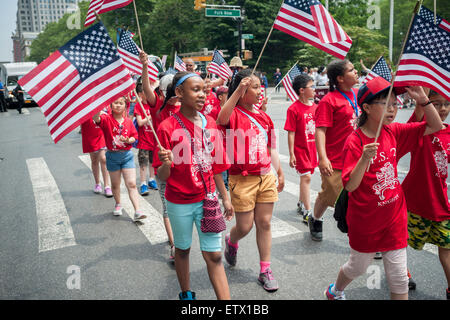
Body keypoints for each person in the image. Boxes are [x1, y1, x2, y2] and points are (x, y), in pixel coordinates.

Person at [325, 77, 443, 300]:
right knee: (357, 267)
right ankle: (336, 290)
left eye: (395, 104)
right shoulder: (355, 141)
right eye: (385, 104)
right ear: (367, 108)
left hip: (394, 218)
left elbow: (435, 126)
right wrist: (363, 159)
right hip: (365, 221)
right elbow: (350, 185)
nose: (393, 109)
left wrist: (424, 101)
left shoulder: (394, 131)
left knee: (399, 277)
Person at [153, 71, 234, 300]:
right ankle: (186, 294)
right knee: (183, 249)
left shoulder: (210, 123)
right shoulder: (167, 127)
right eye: (195, 90)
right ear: (179, 92)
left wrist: (225, 197)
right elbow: (162, 174)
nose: (202, 95)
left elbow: (216, 166)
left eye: (204, 90)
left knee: (215, 256)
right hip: (179, 202)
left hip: (208, 200)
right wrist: (166, 163)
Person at [217, 69, 285, 292]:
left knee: (264, 223)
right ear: (243, 89)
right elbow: (221, 118)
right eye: (254, 87)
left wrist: (279, 170)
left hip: (265, 175)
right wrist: (236, 91)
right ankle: (231, 240)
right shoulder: (234, 114)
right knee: (244, 227)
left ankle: (265, 269)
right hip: (242, 178)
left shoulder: (264, 117)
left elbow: (270, 147)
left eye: (260, 86)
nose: (260, 91)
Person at [401, 90, 450, 300]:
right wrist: (422, 95)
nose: (443, 109)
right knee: (400, 242)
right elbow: (421, 113)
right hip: (414, 202)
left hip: (441, 203)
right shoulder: (418, 129)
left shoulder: (448, 133)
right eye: (437, 104)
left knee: (447, 246)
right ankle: (401, 272)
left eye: (447, 104)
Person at [309, 59, 359, 241]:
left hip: (357, 158)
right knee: (330, 196)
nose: (356, 72)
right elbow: (320, 130)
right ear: (339, 78)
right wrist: (322, 158)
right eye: (352, 70)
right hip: (335, 159)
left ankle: (364, 238)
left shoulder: (357, 94)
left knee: (357, 199)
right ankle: (315, 218)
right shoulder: (328, 101)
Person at [140, 51, 176, 260]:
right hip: (163, 165)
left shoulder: (187, 106)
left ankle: (179, 239)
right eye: (170, 90)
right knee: (167, 206)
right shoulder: (158, 105)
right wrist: (145, 66)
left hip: (185, 165)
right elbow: (146, 88)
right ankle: (174, 245)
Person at [93, 96, 146, 222]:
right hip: (112, 156)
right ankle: (118, 204)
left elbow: (134, 136)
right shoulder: (106, 119)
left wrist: (128, 140)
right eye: (115, 103)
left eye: (121, 103)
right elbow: (96, 118)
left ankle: (137, 211)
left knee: (132, 184)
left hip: (127, 155)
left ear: (125, 105)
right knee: (115, 185)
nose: (118, 105)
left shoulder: (128, 121)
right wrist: (96, 106)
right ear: (111, 106)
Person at [284, 74, 318, 223]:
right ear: (302, 90)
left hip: (313, 149)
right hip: (300, 150)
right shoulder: (293, 109)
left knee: (306, 177)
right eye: (312, 87)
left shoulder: (317, 107)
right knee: (306, 178)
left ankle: (300, 202)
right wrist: (292, 154)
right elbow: (291, 132)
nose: (315, 89)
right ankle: (307, 211)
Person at [80, 111, 112, 198]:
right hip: (90, 134)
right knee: (94, 161)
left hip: (102, 133)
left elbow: (110, 116)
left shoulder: (104, 103)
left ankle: (107, 185)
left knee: (103, 159)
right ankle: (97, 183)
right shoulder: (84, 107)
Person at [134, 83, 158, 196]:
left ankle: (152, 180)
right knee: (143, 163)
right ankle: (143, 183)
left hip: (154, 139)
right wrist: (149, 117)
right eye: (145, 92)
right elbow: (140, 122)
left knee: (153, 162)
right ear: (140, 94)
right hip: (144, 140)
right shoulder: (139, 106)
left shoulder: (152, 105)